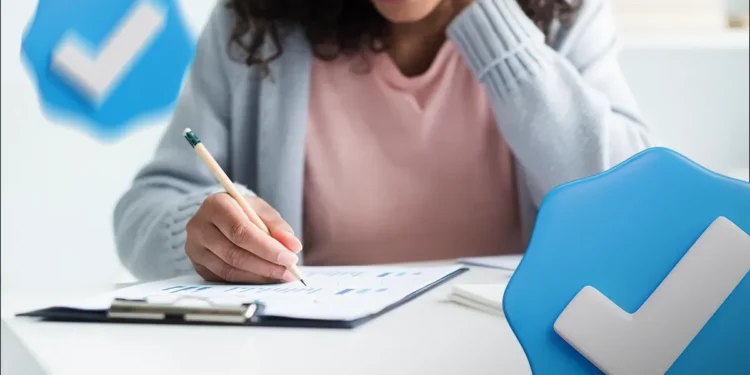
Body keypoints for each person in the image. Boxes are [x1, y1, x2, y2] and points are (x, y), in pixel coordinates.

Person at [114, 0, 652, 283]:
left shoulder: (563, 13)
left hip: (507, 350)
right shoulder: (255, 22)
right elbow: (146, 206)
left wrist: (489, 20)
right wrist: (204, 234)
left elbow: (628, 206)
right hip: (313, 353)